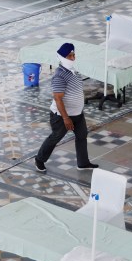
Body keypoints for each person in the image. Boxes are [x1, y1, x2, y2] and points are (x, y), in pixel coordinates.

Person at [34, 42, 99, 173]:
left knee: (82, 136)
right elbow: (58, 98)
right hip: (62, 116)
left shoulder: (73, 71)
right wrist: (66, 118)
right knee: (55, 137)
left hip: (77, 114)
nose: (73, 58)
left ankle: (83, 163)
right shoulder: (59, 76)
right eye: (70, 56)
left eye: (74, 54)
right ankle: (39, 160)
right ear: (63, 57)